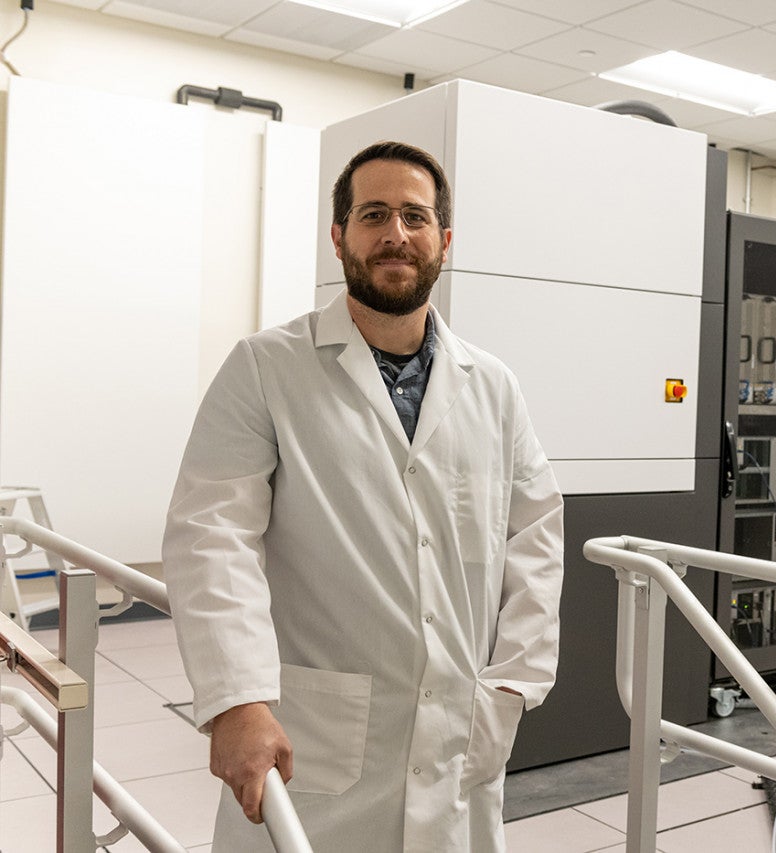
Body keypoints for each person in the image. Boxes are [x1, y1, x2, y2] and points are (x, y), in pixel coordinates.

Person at [163, 140, 564, 852]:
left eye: (414, 215)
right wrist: (236, 700)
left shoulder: (493, 386)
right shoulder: (266, 367)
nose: (395, 234)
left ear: (444, 240)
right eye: (372, 214)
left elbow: (536, 537)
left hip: (459, 739)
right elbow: (210, 538)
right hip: (314, 739)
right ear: (339, 235)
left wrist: (511, 686)